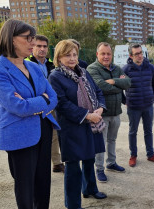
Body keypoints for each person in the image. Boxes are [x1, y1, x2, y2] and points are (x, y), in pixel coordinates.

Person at [0, 19, 60, 208]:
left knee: (43, 184)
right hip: (19, 134)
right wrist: (42, 100)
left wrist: (32, 102)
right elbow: (17, 106)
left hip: (43, 128)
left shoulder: (34, 66)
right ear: (11, 39)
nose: (33, 43)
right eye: (28, 38)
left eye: (33, 38)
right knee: (25, 188)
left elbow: (54, 97)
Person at [48, 40, 107, 209]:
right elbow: (62, 103)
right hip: (72, 127)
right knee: (73, 167)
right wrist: (87, 115)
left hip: (91, 124)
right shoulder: (55, 77)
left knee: (90, 158)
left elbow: (97, 91)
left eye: (74, 54)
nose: (72, 58)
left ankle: (89, 189)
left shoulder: (83, 72)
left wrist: (100, 109)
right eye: (67, 55)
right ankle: (73, 204)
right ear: (59, 57)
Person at [87, 42, 131, 182]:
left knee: (112, 140)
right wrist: (119, 84)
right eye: (103, 53)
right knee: (101, 142)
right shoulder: (92, 69)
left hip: (116, 112)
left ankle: (111, 163)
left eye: (108, 54)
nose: (106, 56)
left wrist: (112, 81)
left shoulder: (116, 68)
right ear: (97, 54)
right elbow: (101, 87)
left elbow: (128, 82)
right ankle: (99, 168)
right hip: (101, 114)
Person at [26, 34, 65, 173]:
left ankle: (56, 162)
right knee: (36, 135)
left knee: (53, 134)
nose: (42, 49)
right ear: (32, 47)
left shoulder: (51, 64)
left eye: (44, 46)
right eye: (38, 46)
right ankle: (35, 165)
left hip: (51, 104)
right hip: (34, 106)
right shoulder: (26, 64)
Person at [122, 43, 154, 167]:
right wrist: (126, 101)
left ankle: (150, 154)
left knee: (148, 131)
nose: (140, 56)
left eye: (141, 53)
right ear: (131, 55)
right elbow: (119, 87)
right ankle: (133, 155)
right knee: (132, 132)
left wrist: (153, 98)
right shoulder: (126, 69)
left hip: (148, 106)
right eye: (137, 54)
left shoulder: (150, 68)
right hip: (133, 107)